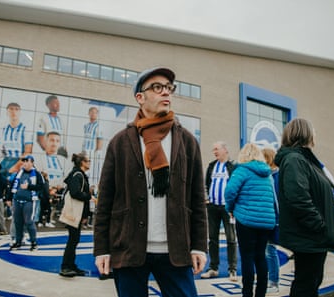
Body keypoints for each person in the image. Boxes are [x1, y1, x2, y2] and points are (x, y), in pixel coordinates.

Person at [93, 67, 207, 297]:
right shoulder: (121, 142)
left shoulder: (186, 141)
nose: (166, 92)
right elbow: (105, 199)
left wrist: (199, 246)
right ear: (140, 98)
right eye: (157, 87)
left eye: (169, 88)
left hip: (175, 249)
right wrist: (101, 249)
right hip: (129, 247)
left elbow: (197, 198)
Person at [274, 118, 334, 297]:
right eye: (313, 131)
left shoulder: (302, 159)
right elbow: (298, 198)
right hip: (310, 236)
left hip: (312, 237)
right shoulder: (295, 160)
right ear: (304, 133)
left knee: (310, 284)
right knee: (306, 286)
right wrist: (319, 225)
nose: (315, 135)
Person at [224, 143, 276, 297]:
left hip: (247, 220)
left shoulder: (242, 170)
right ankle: (261, 293)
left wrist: (230, 208)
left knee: (247, 257)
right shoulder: (267, 173)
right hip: (266, 221)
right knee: (260, 257)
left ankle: (247, 293)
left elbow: (229, 192)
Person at [201, 141, 238, 281]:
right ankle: (213, 268)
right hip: (213, 207)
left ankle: (232, 269)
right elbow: (206, 184)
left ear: (225, 150)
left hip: (227, 208)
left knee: (231, 239)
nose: (214, 152)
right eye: (213, 149)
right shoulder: (211, 166)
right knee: (212, 239)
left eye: (216, 149)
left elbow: (236, 187)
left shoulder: (232, 167)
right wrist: (206, 199)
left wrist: (233, 205)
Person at [59, 152, 94, 277]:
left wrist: (85, 215)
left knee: (74, 240)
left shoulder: (78, 174)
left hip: (76, 213)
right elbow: (75, 193)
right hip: (74, 213)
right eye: (88, 161)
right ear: (82, 163)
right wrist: (88, 195)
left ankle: (70, 265)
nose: (89, 162)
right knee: (73, 240)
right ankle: (66, 266)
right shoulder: (78, 175)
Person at [9, 155, 44, 251]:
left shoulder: (37, 174)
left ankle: (34, 242)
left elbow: (41, 186)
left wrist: (29, 187)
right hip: (17, 200)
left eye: (27, 161)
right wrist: (8, 198)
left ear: (32, 162)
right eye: (24, 161)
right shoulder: (19, 173)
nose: (25, 163)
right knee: (18, 222)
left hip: (29, 201)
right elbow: (12, 186)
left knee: (29, 222)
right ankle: (18, 241)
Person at [262, 147, 281, 294]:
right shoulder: (265, 175)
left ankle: (274, 281)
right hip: (265, 218)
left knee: (270, 251)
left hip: (274, 219)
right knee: (265, 251)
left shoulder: (277, 175)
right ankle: (268, 279)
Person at [0, 102, 33, 173]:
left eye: (16, 109)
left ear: (20, 113)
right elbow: (0, 151)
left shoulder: (25, 129)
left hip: (18, 161)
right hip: (5, 161)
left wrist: (16, 167)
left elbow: (28, 152)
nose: (13, 112)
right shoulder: (4, 129)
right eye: (11, 109)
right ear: (7, 112)